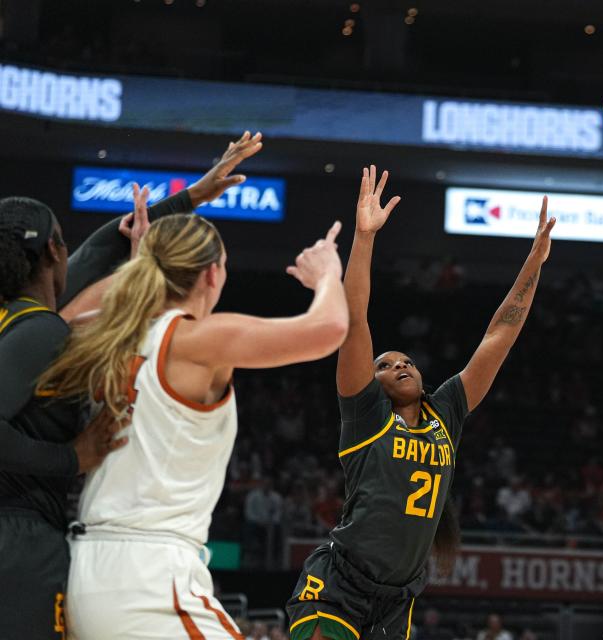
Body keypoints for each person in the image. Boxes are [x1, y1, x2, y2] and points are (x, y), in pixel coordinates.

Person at [37, 206, 348, 638]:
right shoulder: (196, 340)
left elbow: (47, 330)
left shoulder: (107, 333)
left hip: (87, 566)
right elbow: (329, 327)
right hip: (150, 575)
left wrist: (135, 266)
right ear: (212, 275)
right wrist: (328, 273)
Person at [0, 131, 262, 639]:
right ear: (53, 251)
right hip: (19, 538)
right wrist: (71, 458)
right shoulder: (40, 328)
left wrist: (193, 195)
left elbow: (100, 250)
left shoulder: (28, 316)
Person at [286, 166, 555, 640]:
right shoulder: (365, 414)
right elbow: (355, 319)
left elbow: (499, 334)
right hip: (338, 584)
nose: (401, 366)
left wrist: (533, 263)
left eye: (406, 361)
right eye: (386, 365)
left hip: (399, 596)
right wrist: (365, 238)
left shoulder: (446, 411)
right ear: (372, 382)